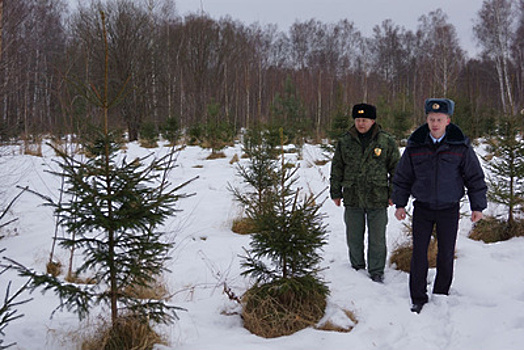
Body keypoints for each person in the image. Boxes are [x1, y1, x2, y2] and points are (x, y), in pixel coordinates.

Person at [392, 98, 487, 314]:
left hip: (448, 208)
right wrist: (400, 204)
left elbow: (474, 177)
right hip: (423, 208)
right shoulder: (415, 146)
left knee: (445, 252)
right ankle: (418, 297)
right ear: (426, 119)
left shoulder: (459, 146)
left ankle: (442, 292)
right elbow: (402, 177)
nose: (435, 123)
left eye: (439, 119)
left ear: (448, 121)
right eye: (431, 119)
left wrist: (477, 206)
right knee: (419, 253)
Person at [330, 103, 400, 283]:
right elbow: (337, 167)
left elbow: (396, 169)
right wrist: (336, 192)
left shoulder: (385, 141)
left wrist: (394, 193)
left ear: (373, 121)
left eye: (365, 120)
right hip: (353, 196)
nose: (361, 124)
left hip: (378, 197)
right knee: (354, 236)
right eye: (358, 120)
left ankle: (376, 270)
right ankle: (357, 267)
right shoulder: (345, 141)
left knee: (377, 238)